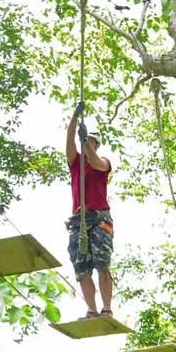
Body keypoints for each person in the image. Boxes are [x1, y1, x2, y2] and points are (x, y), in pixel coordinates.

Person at [65, 101, 114, 320]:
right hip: (78, 222)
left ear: (96, 144)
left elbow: (95, 162)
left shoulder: (102, 162)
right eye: (87, 140)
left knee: (102, 263)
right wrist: (75, 119)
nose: (87, 144)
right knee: (81, 267)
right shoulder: (75, 164)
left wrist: (86, 143)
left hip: (99, 219)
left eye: (92, 141)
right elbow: (68, 141)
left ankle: (107, 308)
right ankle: (92, 310)